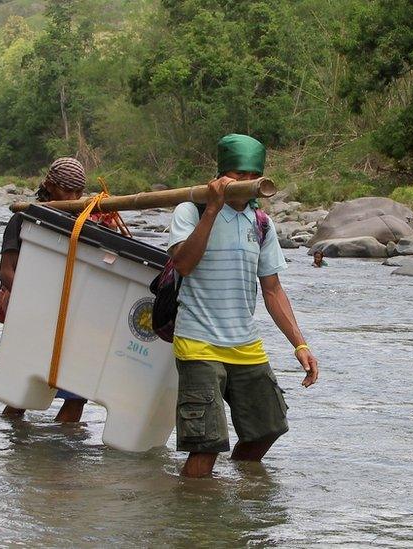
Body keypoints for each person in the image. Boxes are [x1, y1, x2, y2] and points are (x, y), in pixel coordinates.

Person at [168, 134, 319, 478]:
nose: (245, 183)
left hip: (244, 344)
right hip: (198, 342)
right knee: (206, 444)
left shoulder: (261, 223)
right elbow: (184, 264)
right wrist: (212, 209)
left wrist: (300, 343)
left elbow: (273, 289)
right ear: (222, 176)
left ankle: (242, 492)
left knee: (267, 429)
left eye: (252, 175)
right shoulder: (189, 210)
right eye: (237, 175)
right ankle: (194, 520)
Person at [0, 157, 98, 423]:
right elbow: (6, 271)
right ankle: (15, 443)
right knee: (22, 393)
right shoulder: (24, 219)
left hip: (71, 317)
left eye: (78, 193)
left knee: (77, 393)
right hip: (32, 316)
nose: (74, 198)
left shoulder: (83, 224)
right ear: (50, 186)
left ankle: (60, 456)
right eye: (68, 192)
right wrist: (37, 304)